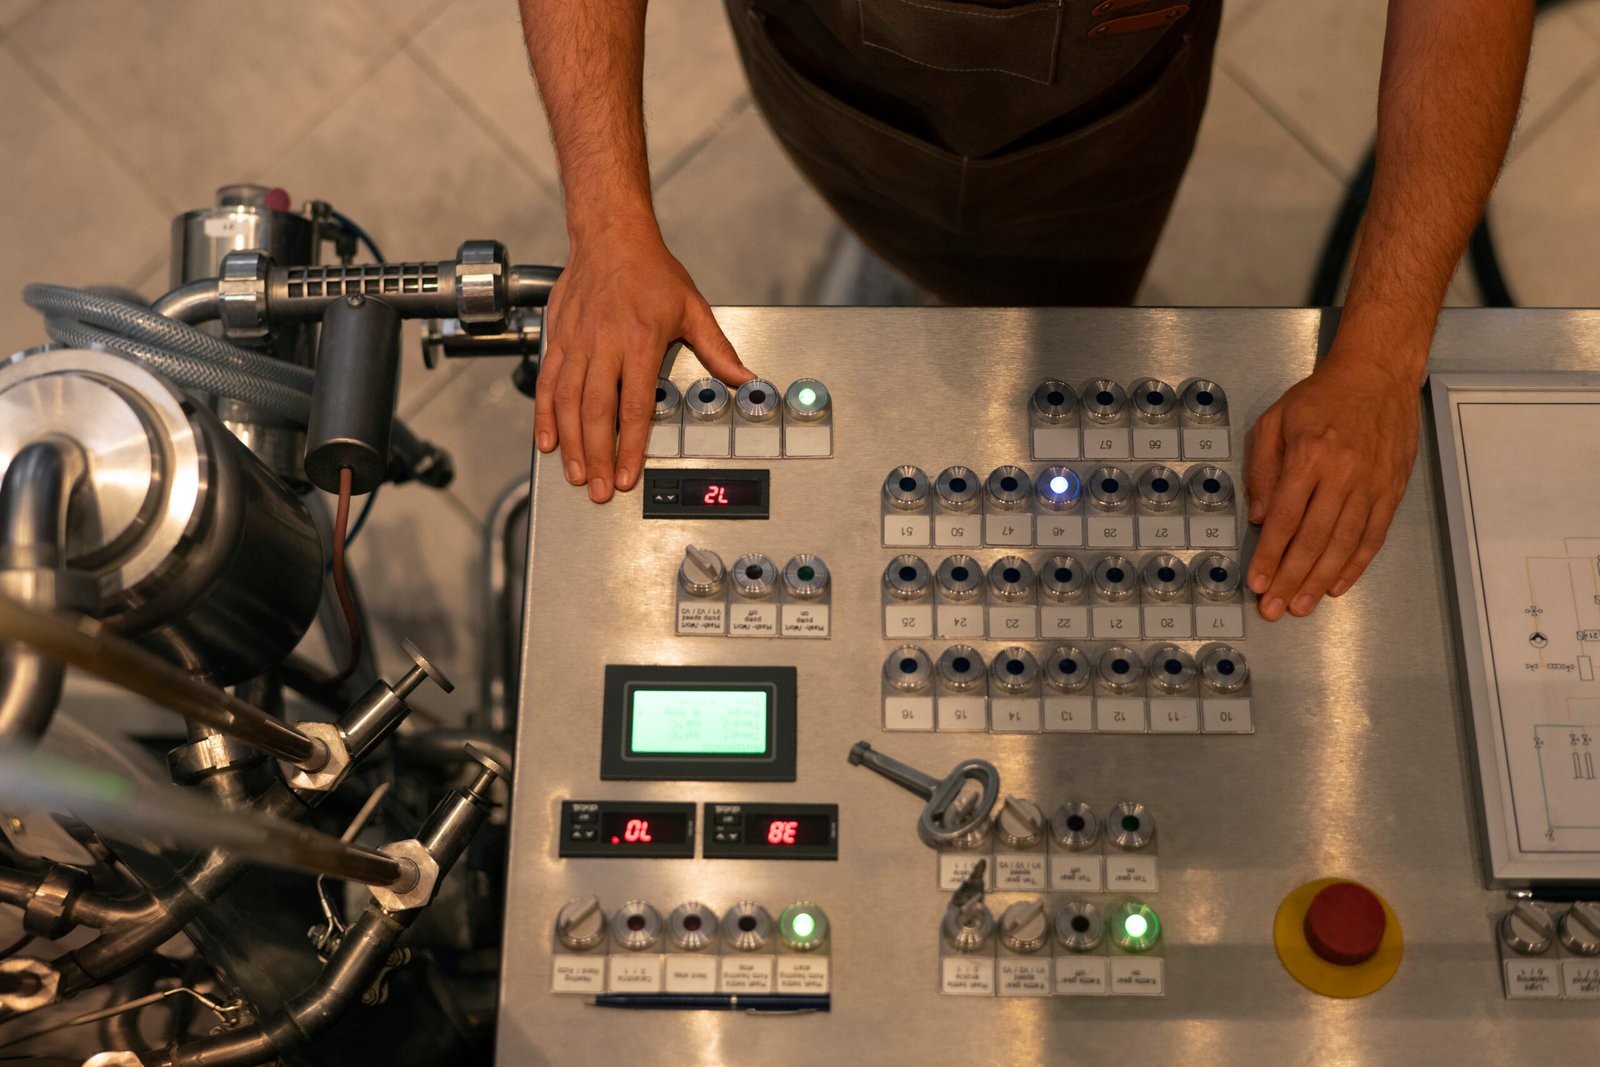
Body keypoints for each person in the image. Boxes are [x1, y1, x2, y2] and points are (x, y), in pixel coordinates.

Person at [516, 0, 1533, 621]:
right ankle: (889, 267)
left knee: (1063, 315)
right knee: (882, 241)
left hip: (1098, 128)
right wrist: (608, 221)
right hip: (828, 79)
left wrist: (1382, 353)